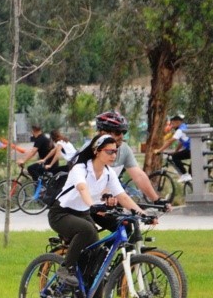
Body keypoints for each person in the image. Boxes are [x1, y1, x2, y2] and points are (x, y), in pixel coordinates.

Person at [48, 133, 150, 287]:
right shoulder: (80, 168)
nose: (113, 155)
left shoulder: (108, 173)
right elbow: (82, 188)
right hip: (61, 213)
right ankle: (65, 269)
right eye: (109, 151)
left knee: (97, 262)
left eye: (115, 151)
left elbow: (122, 196)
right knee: (87, 230)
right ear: (97, 151)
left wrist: (142, 213)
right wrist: (92, 205)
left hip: (82, 213)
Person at [94, 110, 165, 206]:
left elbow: (139, 176)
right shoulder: (91, 150)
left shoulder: (124, 149)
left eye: (124, 132)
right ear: (103, 133)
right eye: (118, 132)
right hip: (84, 204)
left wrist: (156, 199)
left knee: (129, 220)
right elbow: (94, 180)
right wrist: (106, 194)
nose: (122, 136)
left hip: (107, 201)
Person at [159, 114, 192, 183]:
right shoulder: (184, 127)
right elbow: (181, 142)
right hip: (193, 149)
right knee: (192, 173)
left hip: (193, 150)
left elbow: (170, 141)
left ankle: (185, 174)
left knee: (175, 157)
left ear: (178, 122)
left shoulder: (180, 130)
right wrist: (175, 151)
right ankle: (188, 177)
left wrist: (160, 150)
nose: (171, 125)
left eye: (172, 123)